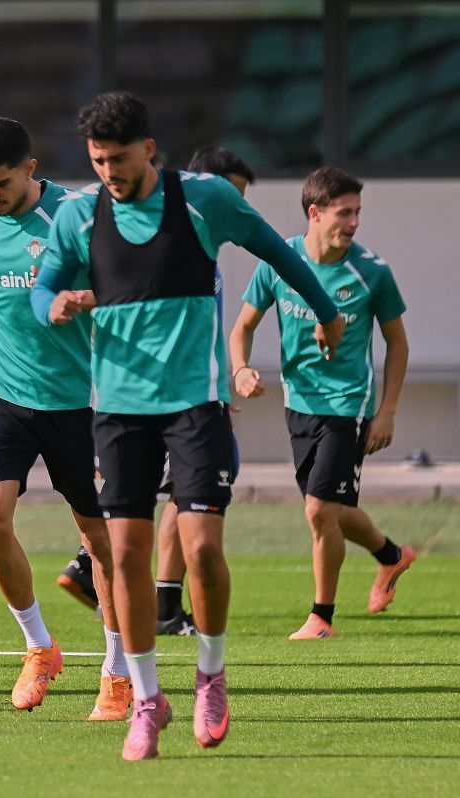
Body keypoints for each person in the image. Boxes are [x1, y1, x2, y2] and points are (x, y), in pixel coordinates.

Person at [31, 92, 344, 759]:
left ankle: (210, 675)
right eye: (97, 161)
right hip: (117, 411)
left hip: (193, 407)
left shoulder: (205, 200)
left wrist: (327, 311)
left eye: (119, 159)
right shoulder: (80, 213)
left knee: (201, 549)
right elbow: (43, 286)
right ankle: (147, 699)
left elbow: (279, 255)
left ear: (150, 149)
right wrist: (53, 302)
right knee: (126, 558)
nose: (109, 172)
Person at [0, 118, 128, 720]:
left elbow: (128, 285)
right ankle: (39, 647)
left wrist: (80, 300)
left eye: (0, 183)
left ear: (30, 169)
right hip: (2, 393)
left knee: (99, 539)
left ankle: (117, 670)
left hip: (80, 402)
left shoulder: (77, 214)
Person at [230, 166, 414, 640]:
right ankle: (392, 556)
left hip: (348, 405)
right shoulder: (279, 260)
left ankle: (322, 617)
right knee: (331, 508)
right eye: (344, 212)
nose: (353, 222)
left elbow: (398, 343)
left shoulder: (371, 271)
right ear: (315, 213)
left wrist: (386, 410)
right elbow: (242, 328)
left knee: (318, 510)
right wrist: (241, 369)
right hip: (299, 404)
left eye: (357, 212)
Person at [153, 146, 254, 636]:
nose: (234, 209)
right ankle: (158, 607)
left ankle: (166, 609)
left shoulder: (205, 252)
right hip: (176, 399)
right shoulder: (172, 240)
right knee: (180, 495)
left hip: (202, 392)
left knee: (181, 494)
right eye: (230, 195)